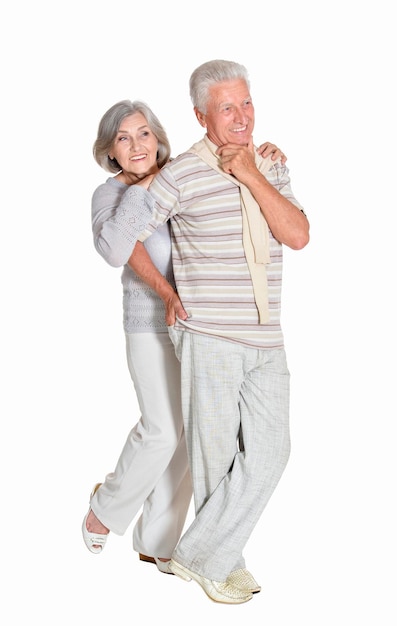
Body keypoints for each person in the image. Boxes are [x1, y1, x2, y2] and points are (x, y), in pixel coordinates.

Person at [123, 59, 310, 603]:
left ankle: (202, 555)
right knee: (215, 457)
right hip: (209, 335)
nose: (241, 117)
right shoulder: (179, 173)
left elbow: (297, 234)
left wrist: (250, 172)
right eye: (227, 107)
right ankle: (221, 564)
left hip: (266, 336)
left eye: (246, 103)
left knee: (272, 451)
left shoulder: (271, 165)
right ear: (202, 116)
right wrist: (165, 292)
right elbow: (128, 237)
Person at [82, 98, 285, 575]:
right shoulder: (108, 194)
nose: (137, 145)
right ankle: (105, 509)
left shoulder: (187, 170)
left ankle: (158, 539)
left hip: (201, 325)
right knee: (162, 429)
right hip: (150, 322)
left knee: (192, 434)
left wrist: (264, 158)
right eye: (124, 139)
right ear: (111, 151)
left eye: (144, 134)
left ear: (159, 137)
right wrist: (150, 189)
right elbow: (117, 249)